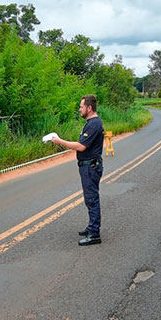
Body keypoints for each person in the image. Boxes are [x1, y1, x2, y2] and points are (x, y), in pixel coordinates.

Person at [51, 95, 104, 246]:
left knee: (92, 199)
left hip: (90, 167)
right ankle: (91, 226)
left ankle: (94, 234)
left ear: (89, 108)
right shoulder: (91, 123)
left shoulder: (94, 124)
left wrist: (60, 141)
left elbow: (81, 146)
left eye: (81, 107)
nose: (79, 109)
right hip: (87, 166)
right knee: (89, 198)